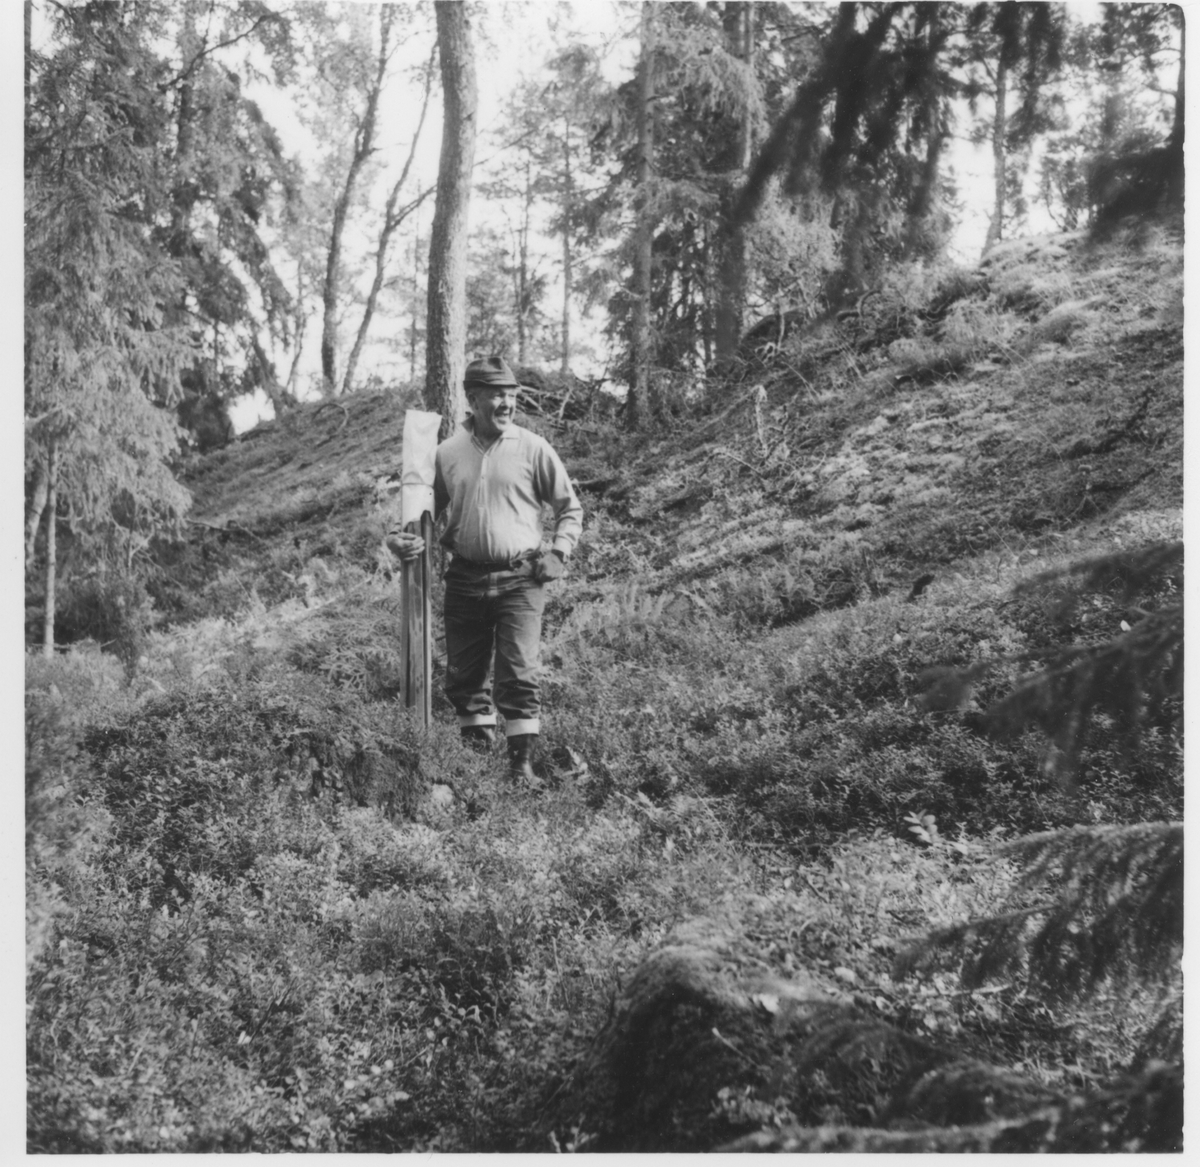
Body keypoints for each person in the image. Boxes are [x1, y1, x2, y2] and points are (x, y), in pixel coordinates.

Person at [387, 357, 583, 782]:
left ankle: (521, 768)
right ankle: (477, 769)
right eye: (496, 395)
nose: (507, 403)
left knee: (519, 672)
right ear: (472, 400)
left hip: (521, 579)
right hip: (465, 579)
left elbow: (570, 508)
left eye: (511, 395)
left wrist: (559, 553)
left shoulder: (533, 448)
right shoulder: (447, 453)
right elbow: (421, 514)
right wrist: (398, 538)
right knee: (465, 676)